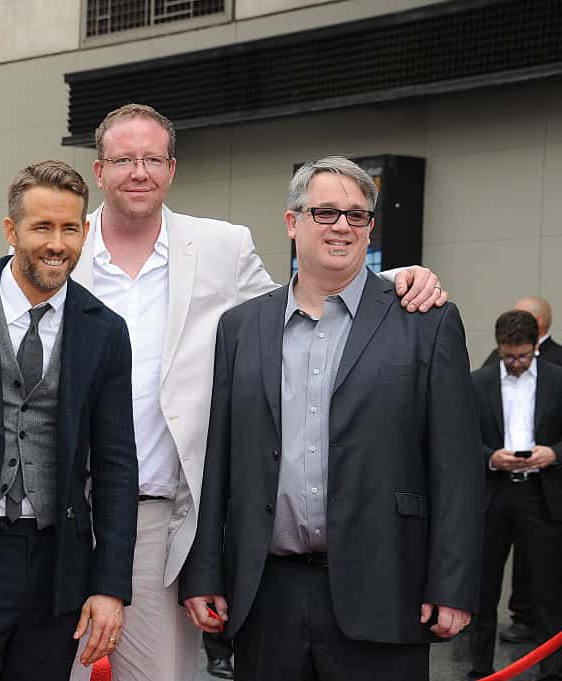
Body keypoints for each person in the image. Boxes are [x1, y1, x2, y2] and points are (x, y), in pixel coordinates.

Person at [67, 104, 448, 681]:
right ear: (99, 171)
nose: (138, 171)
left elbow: (301, 308)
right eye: (123, 159)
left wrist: (394, 280)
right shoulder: (63, 245)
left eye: (151, 158)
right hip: (64, 511)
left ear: (172, 169)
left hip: (159, 518)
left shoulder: (219, 246)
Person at [179, 156, 483, 681]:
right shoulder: (241, 328)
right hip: (267, 594)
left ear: (369, 228)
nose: (342, 226)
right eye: (325, 213)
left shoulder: (424, 321)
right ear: (292, 222)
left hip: (387, 587)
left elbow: (456, 466)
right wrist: (205, 570)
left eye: (357, 215)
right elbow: (218, 458)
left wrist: (452, 584)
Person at [0, 160, 139, 681]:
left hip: (56, 561)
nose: (56, 243)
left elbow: (115, 465)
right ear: (11, 230)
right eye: (42, 227)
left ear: (85, 232)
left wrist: (109, 586)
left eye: (69, 228)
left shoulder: (105, 330)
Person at [468, 310, 562, 680]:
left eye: (522, 355)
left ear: (537, 346)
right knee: (482, 590)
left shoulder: (558, 380)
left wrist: (554, 453)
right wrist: (491, 457)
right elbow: (459, 441)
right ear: (499, 347)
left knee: (547, 592)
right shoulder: (478, 383)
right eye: (509, 356)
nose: (516, 363)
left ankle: (552, 672)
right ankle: (478, 669)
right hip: (493, 494)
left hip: (542, 493)